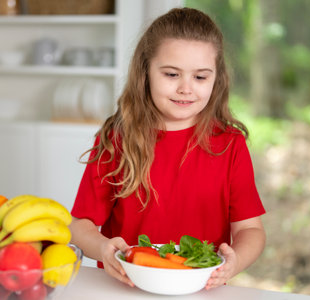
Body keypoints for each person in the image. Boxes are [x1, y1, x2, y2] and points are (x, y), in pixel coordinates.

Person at [69, 7, 266, 290]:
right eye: (172, 74)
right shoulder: (118, 138)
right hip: (126, 288)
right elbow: (80, 226)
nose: (186, 88)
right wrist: (102, 249)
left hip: (202, 289)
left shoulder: (229, 144)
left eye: (200, 77)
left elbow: (250, 229)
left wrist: (235, 262)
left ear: (216, 78)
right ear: (145, 72)